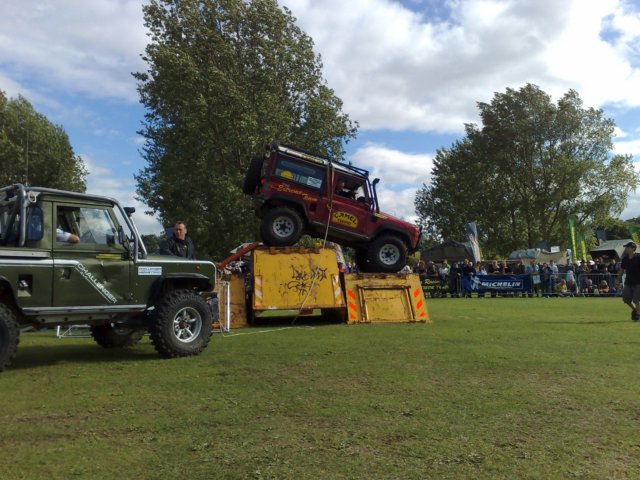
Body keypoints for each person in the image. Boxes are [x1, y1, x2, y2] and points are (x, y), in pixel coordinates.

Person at [617, 241, 640, 321]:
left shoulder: (639, 257)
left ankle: (638, 315)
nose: (626, 249)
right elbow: (621, 270)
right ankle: (635, 310)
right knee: (626, 299)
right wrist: (617, 280)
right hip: (628, 282)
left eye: (627, 247)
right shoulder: (625, 258)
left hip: (638, 282)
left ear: (633, 248)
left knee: (636, 300)